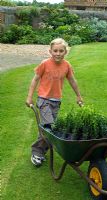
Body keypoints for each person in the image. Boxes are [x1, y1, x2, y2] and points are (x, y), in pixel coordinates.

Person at [26, 38, 83, 166]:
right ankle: (36, 152)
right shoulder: (45, 64)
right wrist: (29, 97)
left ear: (65, 52)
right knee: (49, 127)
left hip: (56, 102)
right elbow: (35, 80)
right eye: (55, 51)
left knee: (49, 129)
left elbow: (73, 81)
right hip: (43, 100)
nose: (58, 53)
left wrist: (79, 96)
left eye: (61, 51)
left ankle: (41, 151)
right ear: (50, 51)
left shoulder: (67, 65)